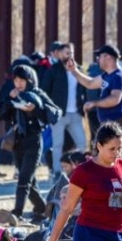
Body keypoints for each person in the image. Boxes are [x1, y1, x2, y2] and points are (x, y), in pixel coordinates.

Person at [0, 64, 62, 223]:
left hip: (34, 141)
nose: (19, 83)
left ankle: (17, 213)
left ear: (29, 80)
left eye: (22, 80)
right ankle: (41, 208)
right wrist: (10, 100)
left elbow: (54, 113)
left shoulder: (37, 94)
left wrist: (34, 109)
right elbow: (2, 113)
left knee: (24, 178)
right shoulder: (13, 93)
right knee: (30, 181)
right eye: (16, 80)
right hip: (18, 142)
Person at [67, 45, 122, 151]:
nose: (98, 59)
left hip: (117, 122)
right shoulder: (107, 76)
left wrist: (94, 103)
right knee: (102, 158)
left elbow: (115, 99)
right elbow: (90, 83)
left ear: (108, 57)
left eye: (100, 56)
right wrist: (74, 71)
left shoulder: (118, 76)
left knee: (112, 159)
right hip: (107, 122)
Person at [42, 43, 88, 174]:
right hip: (59, 115)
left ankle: (81, 172)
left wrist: (84, 105)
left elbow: (85, 88)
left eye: (71, 53)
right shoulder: (53, 70)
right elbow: (45, 92)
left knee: (82, 144)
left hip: (76, 114)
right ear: (59, 54)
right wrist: (49, 111)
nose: (69, 56)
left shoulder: (78, 69)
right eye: (66, 53)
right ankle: (57, 172)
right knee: (57, 145)